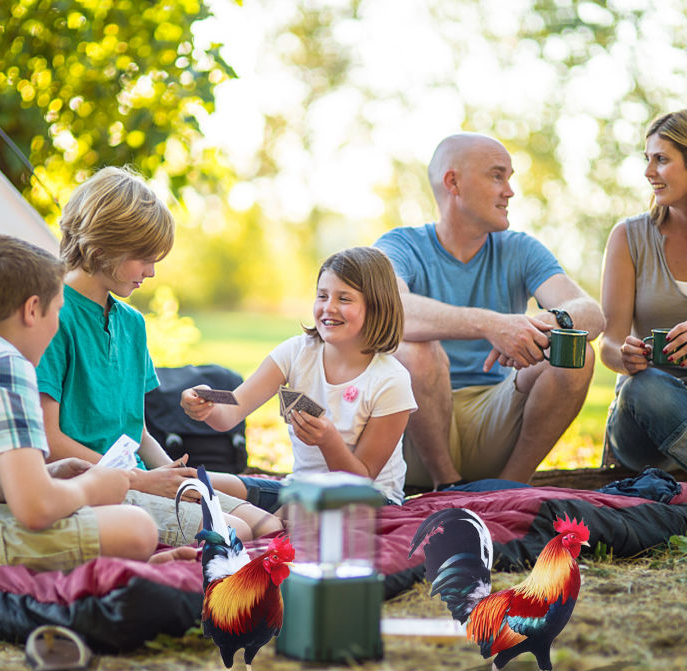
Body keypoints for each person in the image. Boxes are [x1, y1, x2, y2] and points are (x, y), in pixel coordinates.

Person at [36, 167, 281, 543]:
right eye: (143, 258)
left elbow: (138, 431)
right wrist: (144, 481)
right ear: (102, 247)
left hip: (141, 478)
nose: (150, 272)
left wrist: (174, 478)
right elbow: (49, 441)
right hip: (90, 485)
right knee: (238, 533)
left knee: (268, 525)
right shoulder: (55, 315)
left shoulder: (131, 323)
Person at [374, 132, 606, 490]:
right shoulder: (400, 245)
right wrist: (491, 324)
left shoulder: (521, 249)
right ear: (454, 182)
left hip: (496, 419)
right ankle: (446, 485)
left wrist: (541, 322)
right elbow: (391, 309)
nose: (509, 191)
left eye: (509, 178)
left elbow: (591, 313)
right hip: (414, 432)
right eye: (497, 176)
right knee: (415, 347)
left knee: (575, 353)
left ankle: (508, 488)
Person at [0, 234, 167, 572]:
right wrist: (90, 487)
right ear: (32, 309)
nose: (58, 324)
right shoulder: (4, 364)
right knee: (136, 527)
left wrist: (49, 474)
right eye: (58, 310)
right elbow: (35, 508)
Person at [180, 246, 417, 508]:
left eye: (344, 299)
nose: (329, 308)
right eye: (322, 296)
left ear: (377, 305)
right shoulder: (297, 351)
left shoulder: (391, 380)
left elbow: (362, 479)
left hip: (368, 501)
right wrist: (206, 402)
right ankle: (270, 519)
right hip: (300, 490)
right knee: (191, 483)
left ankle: (269, 522)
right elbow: (230, 411)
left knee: (291, 512)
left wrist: (329, 441)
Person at [599, 109, 687, 472]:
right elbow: (608, 343)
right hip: (644, 417)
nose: (649, 172)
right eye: (647, 159)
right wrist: (625, 357)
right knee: (645, 388)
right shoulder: (630, 236)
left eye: (661, 160)